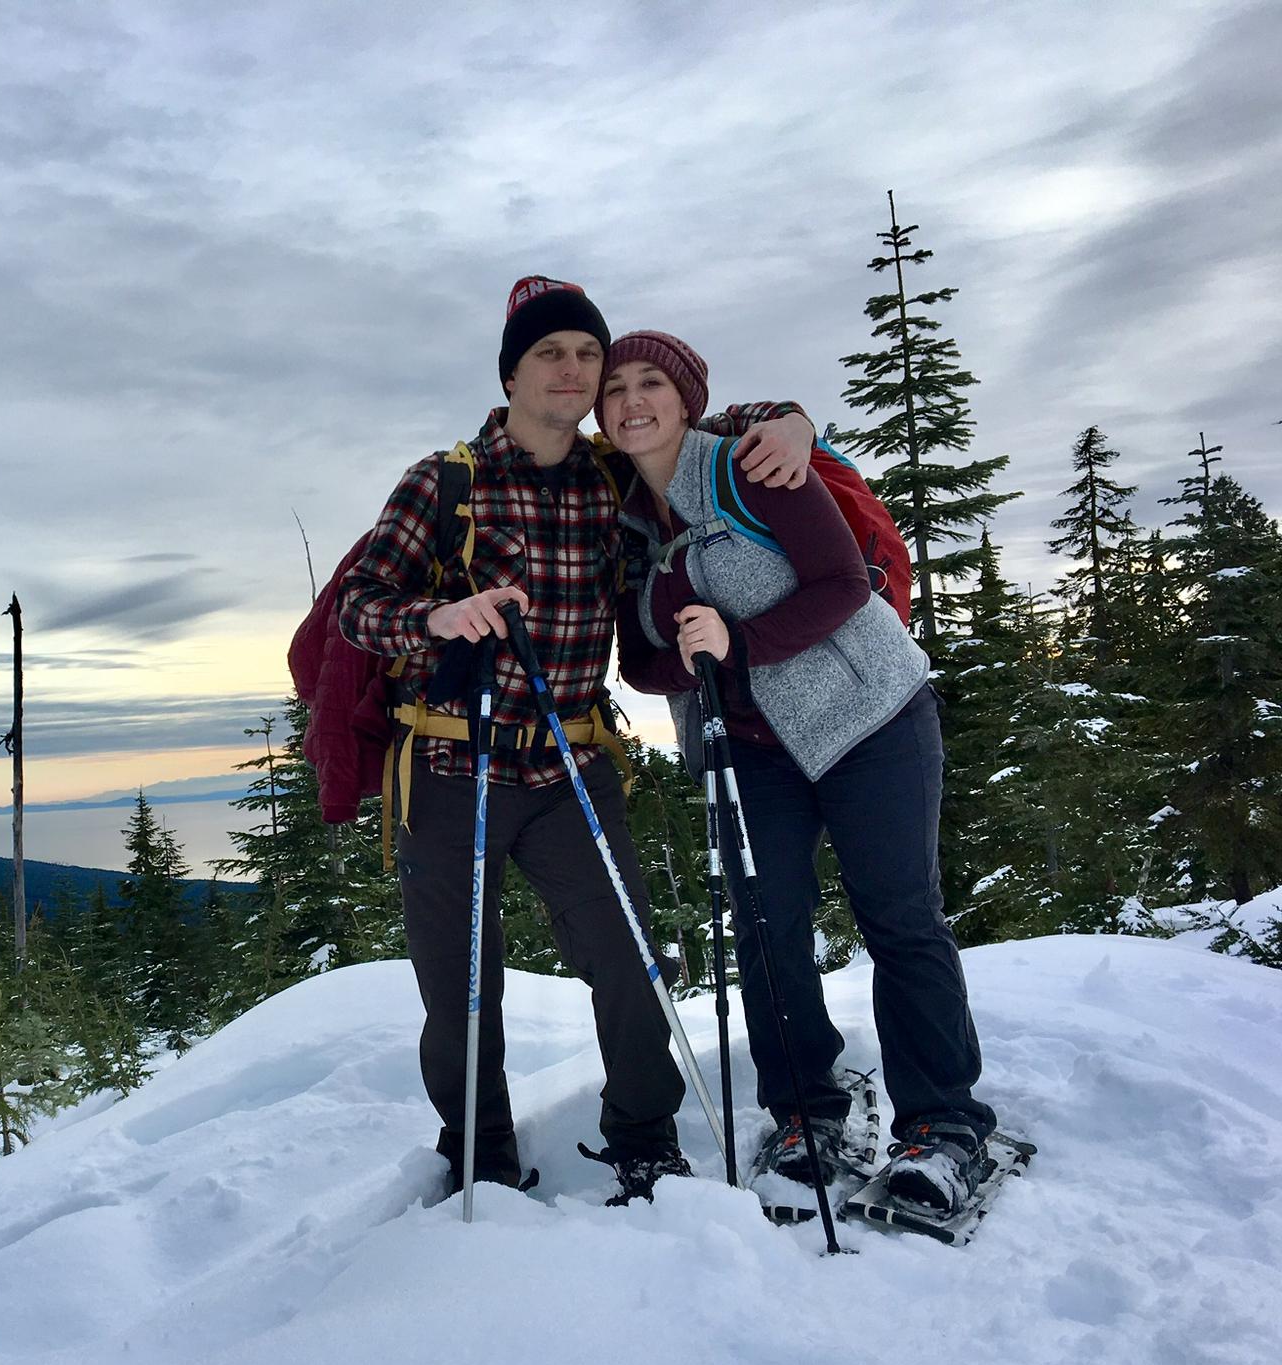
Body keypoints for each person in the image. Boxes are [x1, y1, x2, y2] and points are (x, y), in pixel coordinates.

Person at [336, 279, 817, 1205]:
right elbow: (361, 606)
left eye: (587, 356)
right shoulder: (447, 481)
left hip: (569, 760)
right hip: (449, 762)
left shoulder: (608, 473)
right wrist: (439, 617)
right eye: (551, 354)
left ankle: (645, 1137)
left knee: (628, 958)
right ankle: (480, 1155)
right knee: (461, 988)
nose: (574, 370)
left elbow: (708, 417)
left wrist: (794, 421)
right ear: (513, 371)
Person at [601, 329, 997, 1214]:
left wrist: (739, 642)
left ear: (687, 398)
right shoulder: (625, 520)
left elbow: (839, 583)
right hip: (751, 749)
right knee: (767, 928)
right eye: (615, 385)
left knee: (898, 915)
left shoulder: (750, 466)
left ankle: (944, 1126)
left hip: (872, 718)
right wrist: (698, 656)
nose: (632, 399)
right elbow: (643, 660)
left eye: (651, 383)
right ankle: (804, 1112)